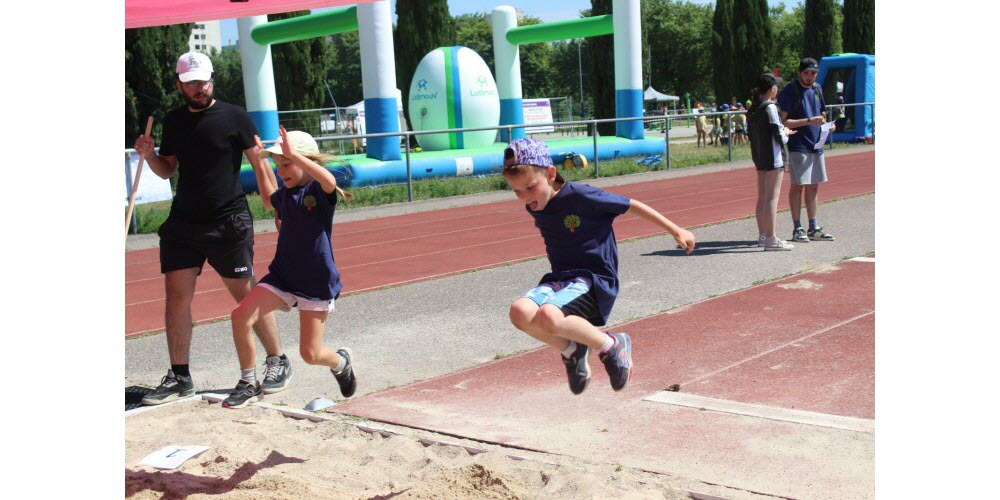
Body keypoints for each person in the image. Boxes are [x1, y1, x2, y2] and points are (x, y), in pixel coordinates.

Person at [133, 52, 291, 405]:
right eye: (191, 83)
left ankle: (277, 360)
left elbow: (260, 164)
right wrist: (149, 154)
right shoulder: (173, 122)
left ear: (211, 80)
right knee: (176, 298)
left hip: (227, 221)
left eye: (202, 81)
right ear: (179, 84)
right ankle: (180, 376)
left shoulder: (234, 116)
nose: (198, 88)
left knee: (247, 296)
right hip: (183, 223)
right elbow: (166, 170)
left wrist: (278, 205)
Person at [501, 138, 696, 395]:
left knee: (549, 316)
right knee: (519, 312)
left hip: (592, 279)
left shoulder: (582, 196)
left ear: (550, 174)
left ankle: (613, 344)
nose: (525, 197)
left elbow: (631, 205)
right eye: (517, 191)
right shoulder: (536, 205)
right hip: (560, 278)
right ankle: (572, 350)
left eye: (529, 187)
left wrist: (675, 229)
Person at [222, 126, 358, 408]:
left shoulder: (317, 192)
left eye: (287, 164)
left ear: (304, 160)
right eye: (278, 165)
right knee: (240, 316)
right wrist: (260, 163)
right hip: (283, 276)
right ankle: (249, 382)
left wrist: (294, 153)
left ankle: (340, 362)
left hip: (316, 281)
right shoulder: (285, 195)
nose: (281, 171)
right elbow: (267, 196)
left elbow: (329, 180)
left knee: (310, 353)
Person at [777, 57, 836, 243]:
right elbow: (783, 121)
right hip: (798, 145)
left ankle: (813, 226)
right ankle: (797, 227)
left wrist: (827, 125)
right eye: (806, 73)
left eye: (813, 73)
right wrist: (809, 121)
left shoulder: (817, 89)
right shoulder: (790, 90)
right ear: (799, 73)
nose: (810, 77)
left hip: (816, 143)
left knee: (814, 185)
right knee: (797, 186)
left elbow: (822, 114)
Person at [748, 73, 797, 251]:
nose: (778, 88)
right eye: (776, 86)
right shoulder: (770, 108)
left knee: (762, 198)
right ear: (771, 89)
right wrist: (786, 132)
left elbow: (752, 136)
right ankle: (771, 239)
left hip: (760, 157)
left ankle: (763, 235)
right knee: (771, 199)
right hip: (773, 158)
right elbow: (778, 134)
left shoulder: (753, 108)